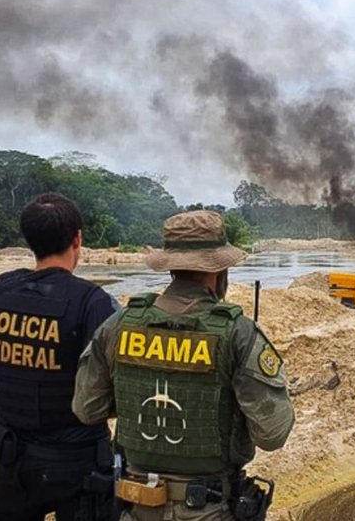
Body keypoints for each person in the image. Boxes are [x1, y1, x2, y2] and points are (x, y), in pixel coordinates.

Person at [72, 210, 295, 521]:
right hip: (209, 509)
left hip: (135, 504)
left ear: (171, 267)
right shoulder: (239, 334)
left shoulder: (119, 325)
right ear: (220, 270)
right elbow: (272, 433)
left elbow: (87, 409)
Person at [0, 193, 119, 520]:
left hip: (12, 456)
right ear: (78, 238)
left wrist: (20, 408)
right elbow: (111, 394)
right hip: (78, 463)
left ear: (30, 240)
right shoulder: (93, 303)